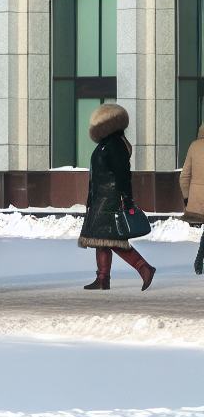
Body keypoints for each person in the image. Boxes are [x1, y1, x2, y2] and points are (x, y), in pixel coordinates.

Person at [80, 103, 156, 291]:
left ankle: (144, 267)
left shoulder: (114, 144)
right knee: (102, 239)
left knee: (113, 240)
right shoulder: (107, 143)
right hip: (101, 199)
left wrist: (126, 197)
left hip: (111, 199)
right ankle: (102, 279)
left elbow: (123, 174)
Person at [179, 122, 204, 275]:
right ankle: (199, 260)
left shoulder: (194, 146)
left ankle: (199, 261)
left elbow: (184, 176)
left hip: (198, 198)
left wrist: (187, 198)